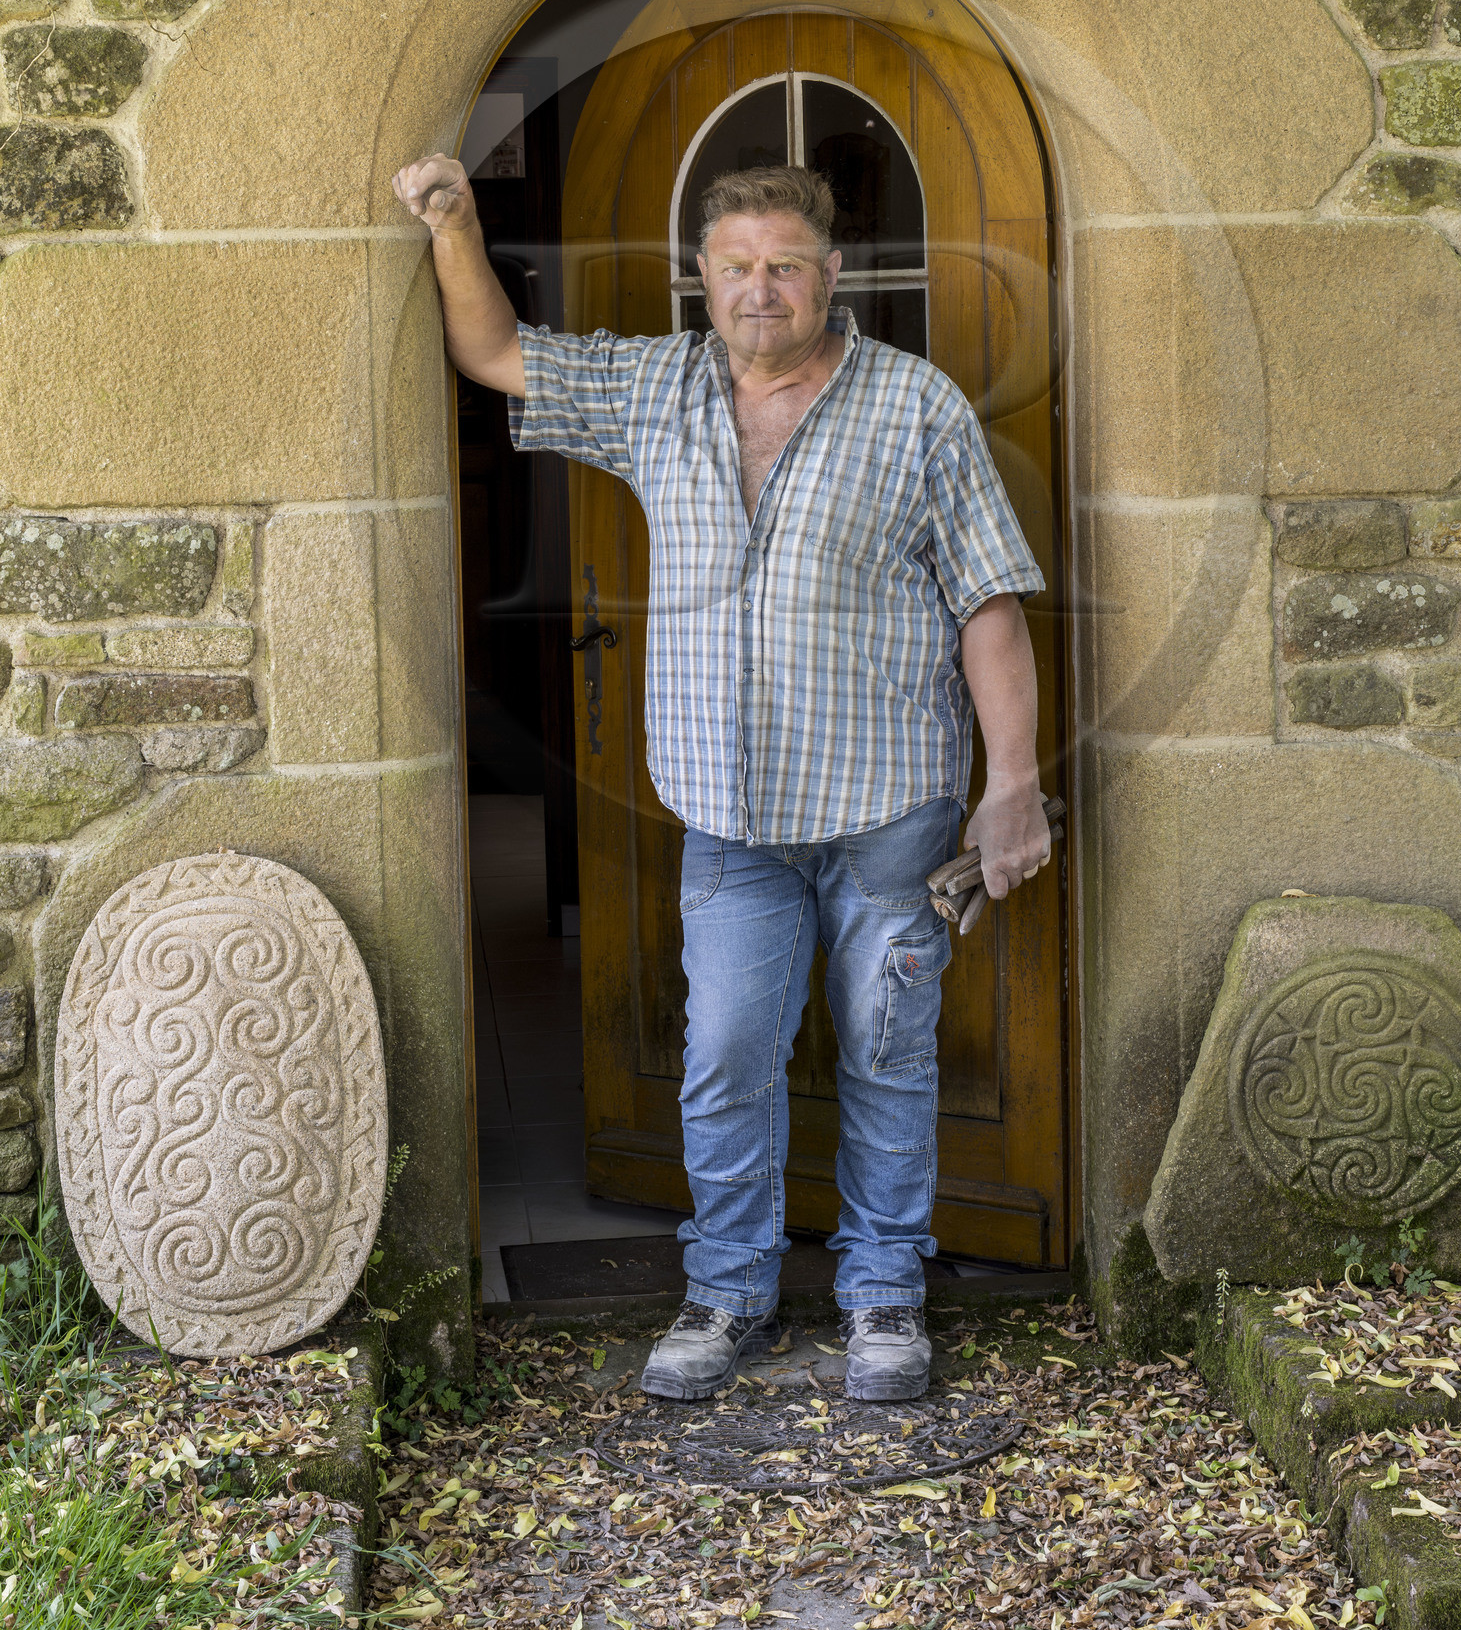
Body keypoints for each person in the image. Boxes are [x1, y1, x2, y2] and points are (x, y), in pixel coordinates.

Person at [393, 151, 1050, 1403]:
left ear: (830, 276)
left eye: (785, 268)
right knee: (726, 1055)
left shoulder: (916, 408)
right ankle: (729, 1291)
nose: (762, 291)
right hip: (730, 817)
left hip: (889, 810)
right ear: (700, 276)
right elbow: (492, 354)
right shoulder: (654, 390)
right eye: (737, 267)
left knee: (887, 1056)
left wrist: (1009, 785)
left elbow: (988, 606)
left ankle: (883, 1301)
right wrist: (455, 224)